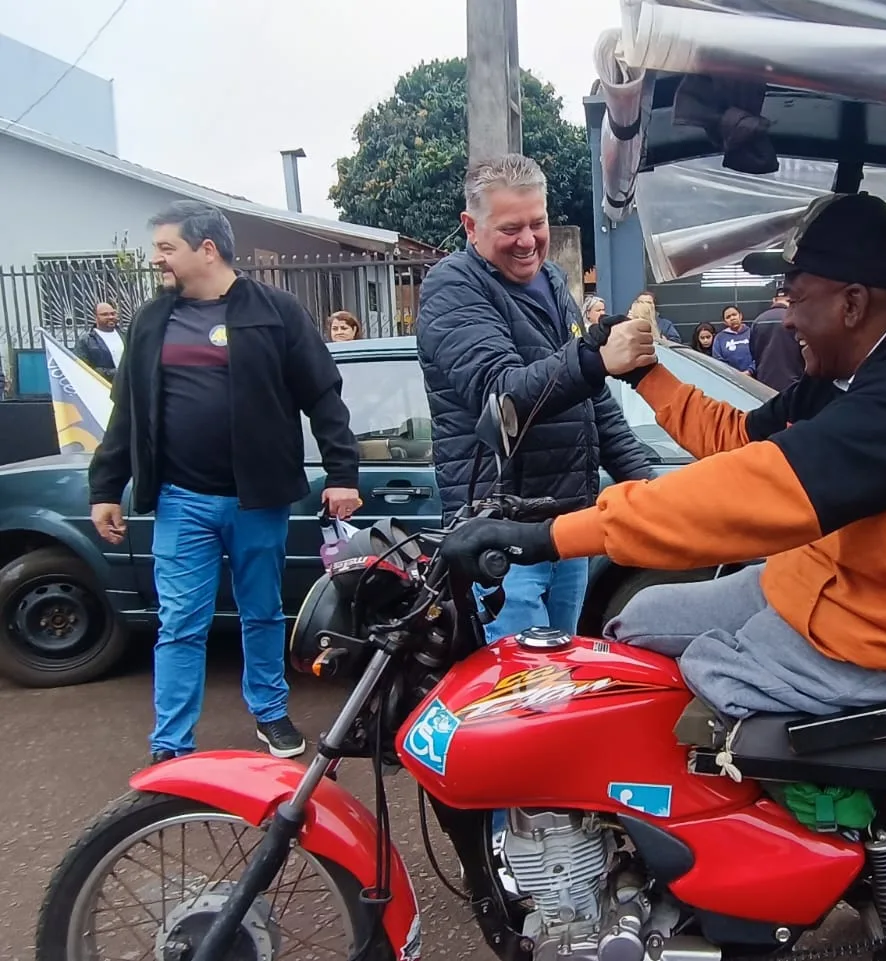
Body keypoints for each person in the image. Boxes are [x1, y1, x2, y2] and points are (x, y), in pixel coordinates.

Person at [442, 192, 886, 719]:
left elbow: (758, 489)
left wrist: (548, 536)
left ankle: (766, 842)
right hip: (842, 590)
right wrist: (648, 373)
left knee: (692, 680)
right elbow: (742, 440)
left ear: (853, 304)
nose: (785, 322)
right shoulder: (868, 368)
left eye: (796, 299)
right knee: (638, 621)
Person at [87, 200, 362, 764]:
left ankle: (269, 711)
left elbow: (323, 398)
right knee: (180, 622)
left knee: (261, 611)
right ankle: (171, 746)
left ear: (206, 249)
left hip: (256, 500)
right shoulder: (149, 320)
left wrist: (342, 474)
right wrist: (104, 488)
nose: (157, 260)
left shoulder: (276, 312)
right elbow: (128, 412)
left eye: (167, 248)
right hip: (180, 500)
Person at [416, 154, 655, 643]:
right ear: (471, 226)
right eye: (510, 228)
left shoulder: (550, 283)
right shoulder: (452, 287)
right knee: (520, 695)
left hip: (564, 531)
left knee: (559, 682)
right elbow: (500, 393)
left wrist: (652, 490)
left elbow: (595, 406)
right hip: (500, 541)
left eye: (537, 223)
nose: (528, 241)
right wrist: (592, 359)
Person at [748, 282, 803, 391]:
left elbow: (754, 353)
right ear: (790, 300)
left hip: (764, 383)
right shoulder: (796, 320)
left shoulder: (758, 321)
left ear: (774, 300)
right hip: (793, 382)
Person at [75, 302, 127, 382]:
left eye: (113, 314)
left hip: (128, 386)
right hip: (104, 387)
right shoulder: (86, 340)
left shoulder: (126, 335)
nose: (110, 317)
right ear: (95, 317)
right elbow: (83, 369)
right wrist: (116, 373)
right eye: (105, 314)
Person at [712, 304, 753, 372]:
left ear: (740, 316)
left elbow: (759, 356)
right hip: (730, 378)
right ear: (725, 322)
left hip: (754, 378)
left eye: (734, 315)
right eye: (728, 317)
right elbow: (718, 360)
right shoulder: (719, 338)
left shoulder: (752, 333)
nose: (732, 318)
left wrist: (750, 371)